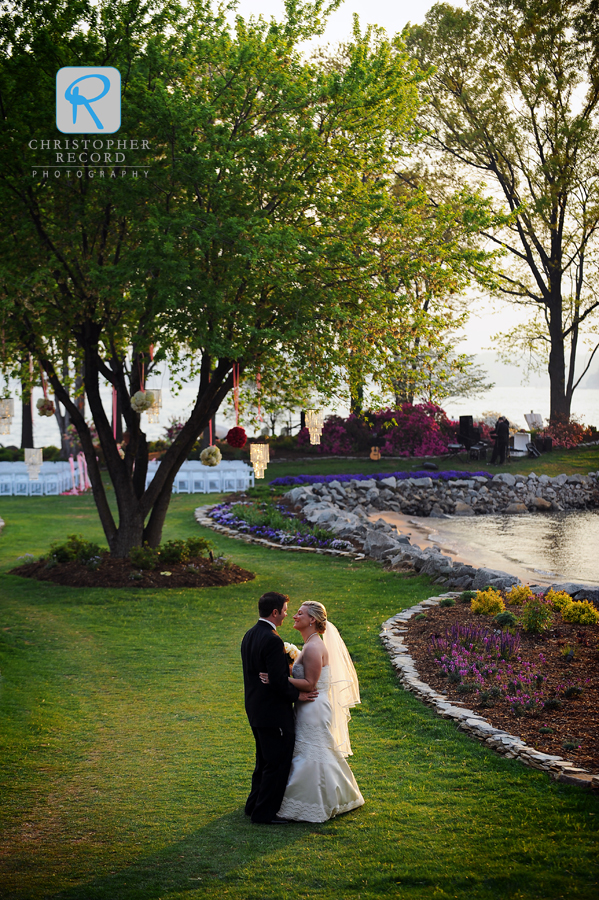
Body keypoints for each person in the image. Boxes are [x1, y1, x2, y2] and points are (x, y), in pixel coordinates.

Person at [260, 601, 365, 823]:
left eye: (300, 614)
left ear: (312, 620)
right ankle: (335, 796)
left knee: (312, 754)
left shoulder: (315, 647)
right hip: (307, 706)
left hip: (314, 706)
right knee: (313, 751)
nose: (295, 616)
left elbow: (309, 684)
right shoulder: (308, 645)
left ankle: (312, 804)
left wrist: (277, 679)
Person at [241, 591, 318, 825]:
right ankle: (263, 814)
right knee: (276, 763)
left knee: (263, 761)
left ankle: (253, 805)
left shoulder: (250, 634)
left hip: (255, 710)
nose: (287, 614)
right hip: (273, 714)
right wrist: (299, 695)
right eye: (285, 610)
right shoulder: (273, 640)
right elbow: (276, 680)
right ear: (275, 612)